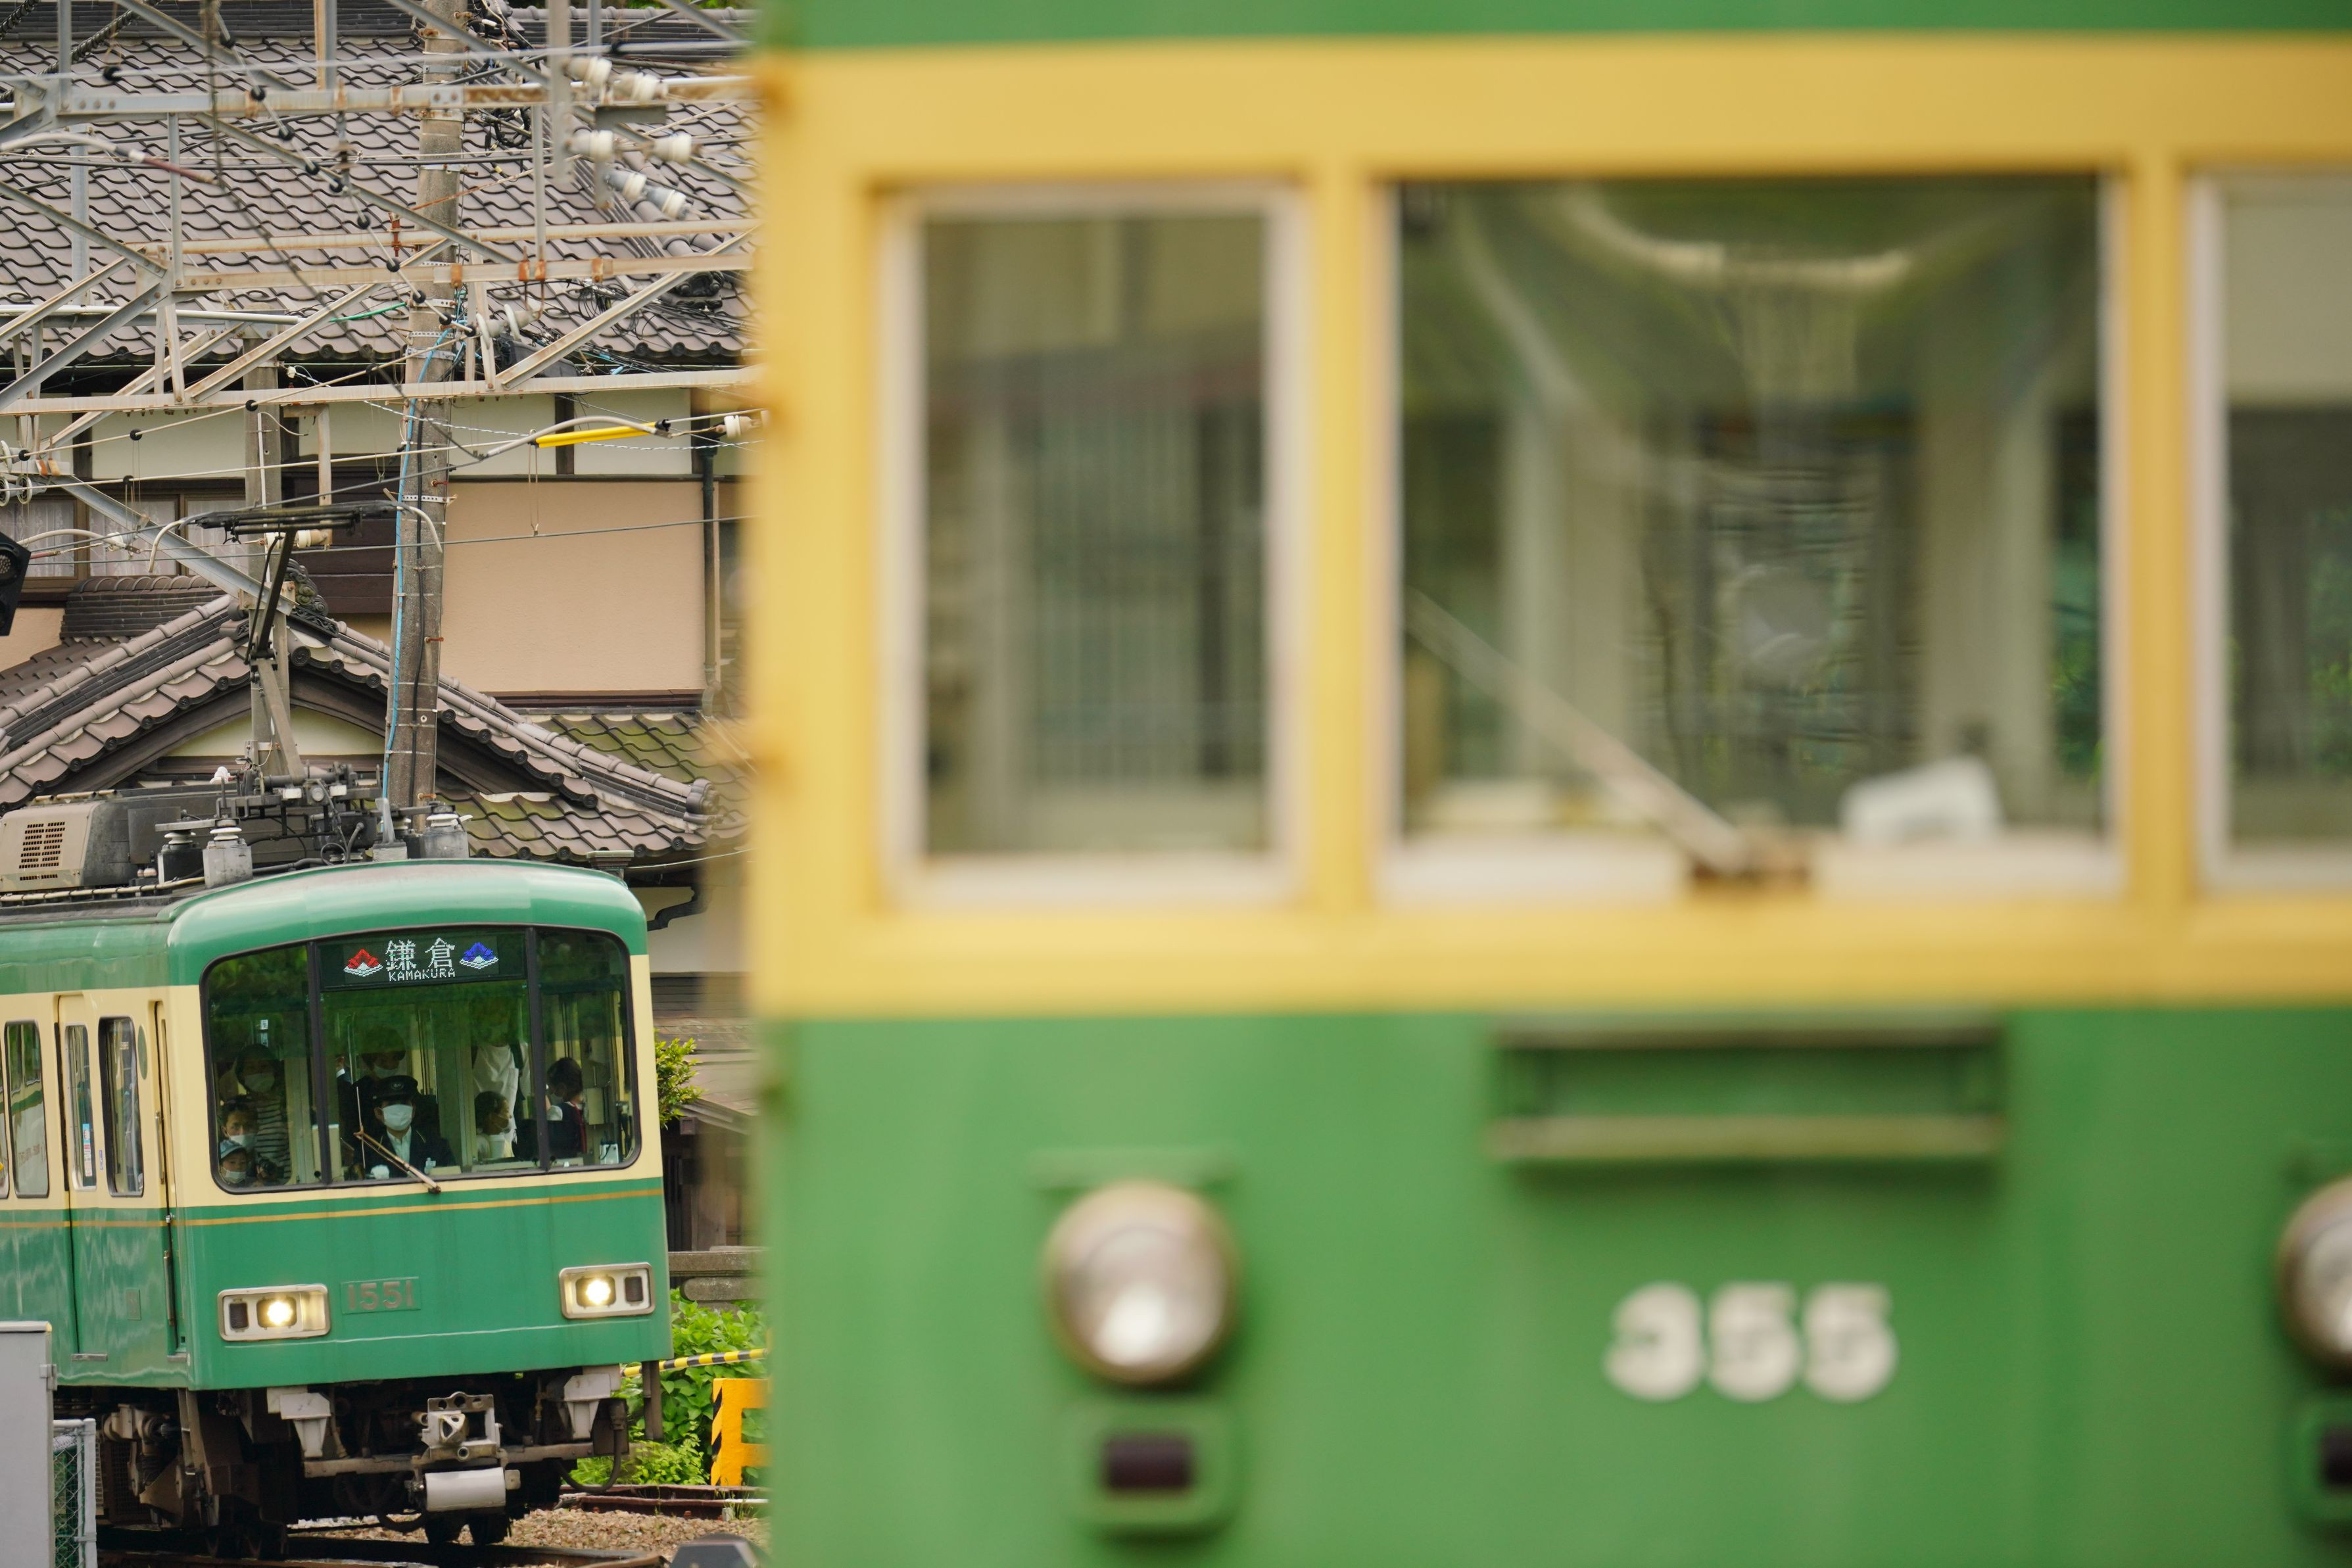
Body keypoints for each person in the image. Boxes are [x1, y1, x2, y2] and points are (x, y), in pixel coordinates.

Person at [213, 1047, 293, 1182]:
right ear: (242, 1075)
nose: (258, 1072)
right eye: (251, 1068)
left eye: (264, 1066)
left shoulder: (287, 1105)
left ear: (274, 1071)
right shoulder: (238, 1109)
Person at [355, 1074, 454, 1177]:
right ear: (379, 1113)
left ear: (413, 1111)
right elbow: (357, 1181)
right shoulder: (367, 1152)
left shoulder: (438, 1147)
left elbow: (452, 1180)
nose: (398, 1109)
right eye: (391, 1104)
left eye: (404, 1103)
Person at [217, 1103, 284, 1185]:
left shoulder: (267, 1166)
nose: (243, 1132)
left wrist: (268, 1183)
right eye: (235, 1127)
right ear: (225, 1131)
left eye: (248, 1126)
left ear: (257, 1128)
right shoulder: (215, 1164)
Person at [474, 1089, 516, 1162]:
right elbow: (472, 1160)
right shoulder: (478, 1142)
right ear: (493, 1117)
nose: (510, 1116)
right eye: (507, 1111)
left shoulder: (506, 1144)